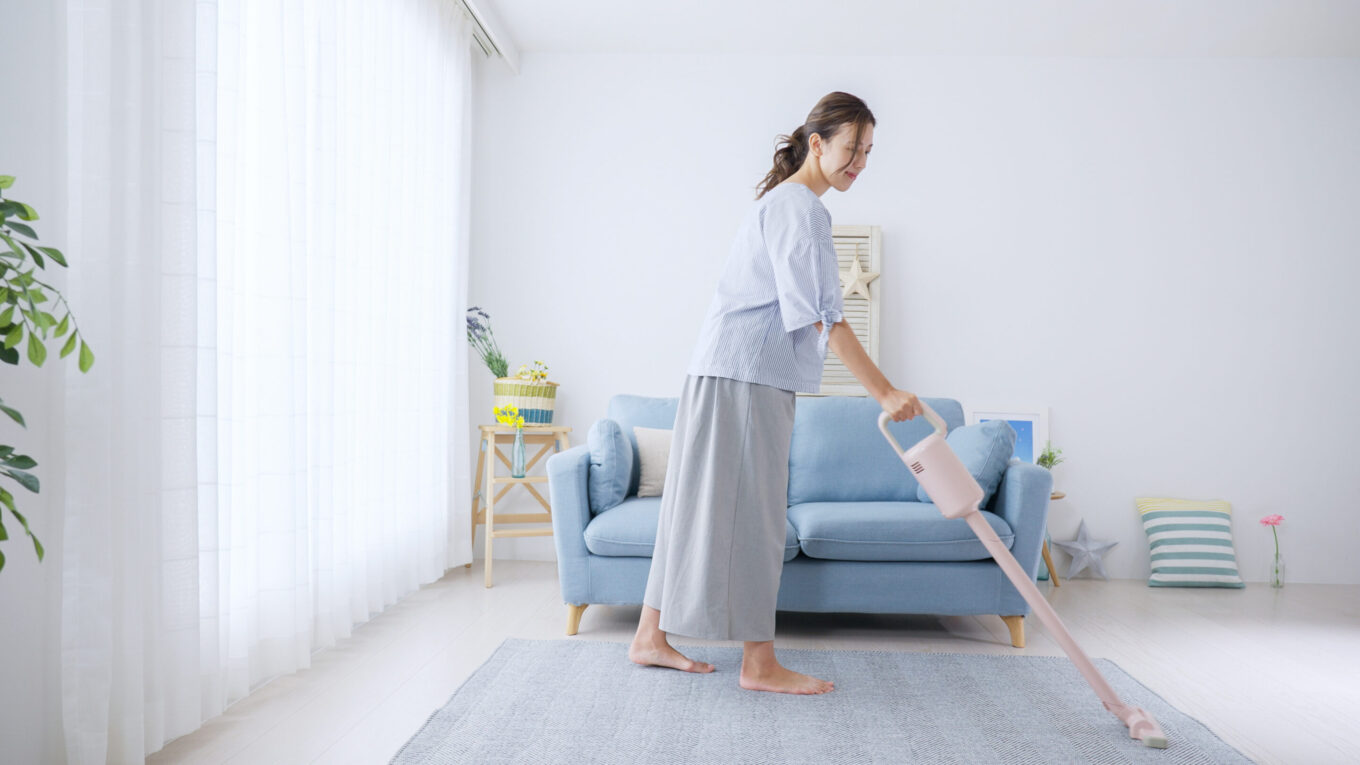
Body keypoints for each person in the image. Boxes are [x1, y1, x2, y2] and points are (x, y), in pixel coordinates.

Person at [627, 91, 922, 695]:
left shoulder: (786, 203)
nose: (860, 163)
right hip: (746, 377)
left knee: (695, 506)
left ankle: (649, 636)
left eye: (868, 152)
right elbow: (822, 316)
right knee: (756, 518)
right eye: (851, 148)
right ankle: (758, 664)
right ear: (817, 144)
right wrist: (885, 392)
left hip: (726, 372)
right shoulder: (800, 208)